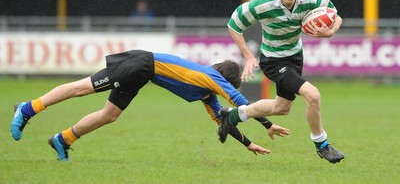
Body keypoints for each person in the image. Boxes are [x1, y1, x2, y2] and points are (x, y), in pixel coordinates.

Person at [11, 50, 290, 161]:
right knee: (82, 88)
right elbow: (241, 105)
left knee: (110, 115)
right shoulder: (212, 78)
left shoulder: (207, 94)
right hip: (141, 64)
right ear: (224, 78)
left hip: (143, 74)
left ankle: (63, 139)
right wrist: (268, 122)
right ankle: (27, 108)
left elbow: (224, 119)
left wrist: (248, 143)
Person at [218, 0, 344, 164]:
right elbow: (234, 24)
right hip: (273, 60)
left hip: (295, 57)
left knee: (282, 108)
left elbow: (336, 16)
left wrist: (331, 31)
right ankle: (322, 144)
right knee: (312, 95)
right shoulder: (263, 5)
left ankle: (232, 117)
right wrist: (249, 56)